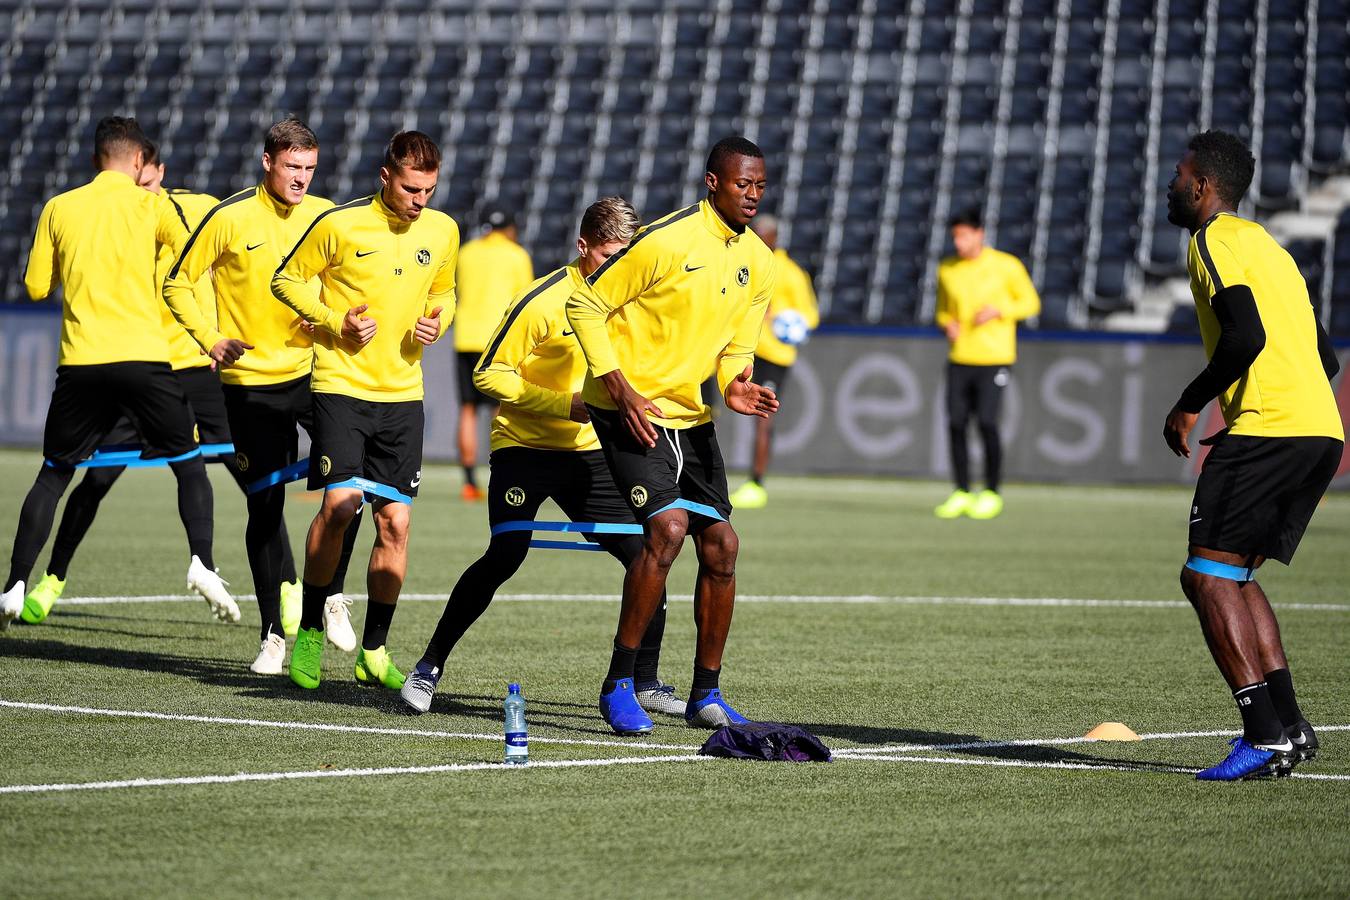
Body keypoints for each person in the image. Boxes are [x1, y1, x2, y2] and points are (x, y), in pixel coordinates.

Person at [401, 197, 683, 717]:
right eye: (611, 255)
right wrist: (564, 404)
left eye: (629, 256)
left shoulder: (636, 299)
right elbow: (489, 373)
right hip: (525, 446)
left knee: (649, 553)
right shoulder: (542, 300)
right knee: (505, 555)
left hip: (589, 451)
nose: (622, 267)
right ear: (583, 248)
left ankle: (645, 681)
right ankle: (428, 668)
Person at [566, 136, 779, 734]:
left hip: (688, 413)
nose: (753, 195)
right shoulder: (664, 240)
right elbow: (583, 307)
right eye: (743, 184)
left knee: (723, 547)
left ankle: (705, 693)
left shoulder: (759, 261)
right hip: (624, 406)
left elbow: (738, 348)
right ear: (713, 182)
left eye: (760, 185)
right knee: (668, 529)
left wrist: (736, 386)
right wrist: (620, 385)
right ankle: (619, 683)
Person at [1, 116, 236, 628]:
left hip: (81, 361)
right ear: (137, 162)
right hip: (144, 360)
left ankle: (16, 583)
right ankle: (202, 560)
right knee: (190, 464)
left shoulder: (59, 207)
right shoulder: (152, 205)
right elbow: (190, 257)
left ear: (94, 160)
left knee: (55, 474)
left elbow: (38, 287)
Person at [1163, 130, 1343, 781]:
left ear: (1203, 186)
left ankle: (1264, 735)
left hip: (1272, 428)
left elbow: (1245, 335)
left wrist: (1192, 402)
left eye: (1179, 174)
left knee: (1207, 577)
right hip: (1318, 429)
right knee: (1234, 575)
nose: (1170, 185)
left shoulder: (1212, 241)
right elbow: (1324, 358)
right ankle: (1289, 727)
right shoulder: (1270, 246)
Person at [163, 118, 363, 675]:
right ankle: (274, 633)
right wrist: (211, 338)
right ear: (268, 162)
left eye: (310, 169)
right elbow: (177, 282)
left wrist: (336, 321)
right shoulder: (228, 217)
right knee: (265, 508)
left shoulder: (325, 216)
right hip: (250, 384)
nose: (301, 178)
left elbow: (349, 282)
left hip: (317, 375)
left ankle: (331, 600)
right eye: (293, 167)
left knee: (348, 493)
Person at [271, 130, 459, 691]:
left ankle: (373, 650)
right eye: (409, 188)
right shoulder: (339, 225)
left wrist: (438, 320)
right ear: (385, 178)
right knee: (340, 504)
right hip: (341, 384)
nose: (419, 199)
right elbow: (286, 280)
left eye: (428, 189)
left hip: (403, 394)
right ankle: (309, 627)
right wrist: (335, 321)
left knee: (395, 522)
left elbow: (445, 292)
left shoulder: (443, 230)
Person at [932, 209, 1040, 520]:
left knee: (987, 423)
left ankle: (992, 491)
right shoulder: (948, 268)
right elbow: (942, 310)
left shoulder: (1006, 265)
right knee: (955, 423)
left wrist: (999, 310)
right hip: (959, 357)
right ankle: (962, 491)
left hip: (994, 359)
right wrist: (946, 323)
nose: (959, 242)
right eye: (955, 236)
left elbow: (1031, 302)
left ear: (980, 234)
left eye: (964, 235)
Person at [727, 214, 819, 509]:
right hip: (747, 351)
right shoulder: (747, 261)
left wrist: (778, 315)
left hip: (775, 355)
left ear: (773, 238)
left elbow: (810, 316)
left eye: (760, 234)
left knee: (763, 417)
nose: (754, 237)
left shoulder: (791, 272)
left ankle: (757, 483)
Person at [452, 205, 534, 501]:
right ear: (509, 228)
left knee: (468, 410)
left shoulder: (466, 252)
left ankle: (469, 482)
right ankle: (504, 473)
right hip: (500, 341)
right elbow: (526, 303)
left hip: (466, 338)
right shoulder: (517, 255)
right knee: (503, 410)